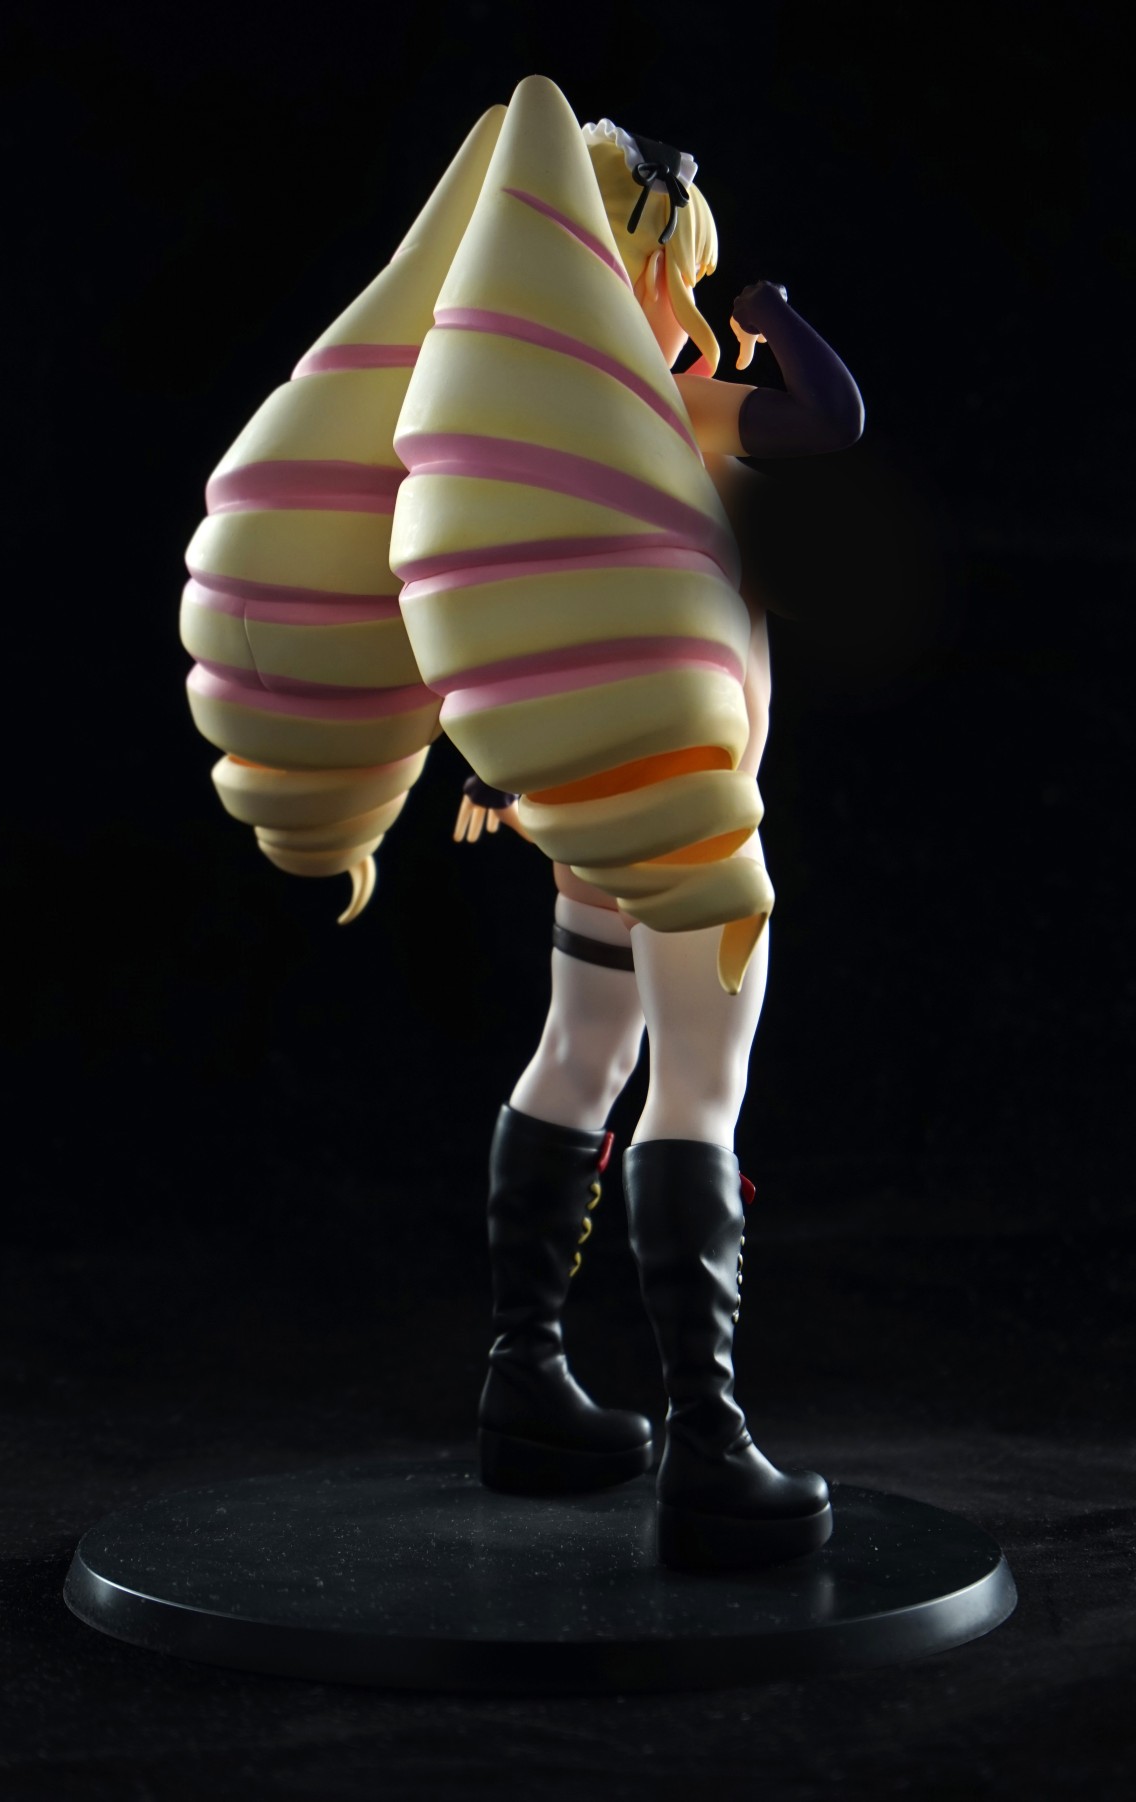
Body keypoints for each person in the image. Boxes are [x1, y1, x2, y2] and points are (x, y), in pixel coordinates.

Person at [181, 77, 862, 1571]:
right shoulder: (677, 407)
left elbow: (501, 599)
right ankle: (709, 1448)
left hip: (582, 810)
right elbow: (835, 416)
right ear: (655, 255)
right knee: (697, 1091)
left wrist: (507, 765)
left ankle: (525, 1384)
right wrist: (770, 308)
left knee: (580, 1050)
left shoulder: (526, 412)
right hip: (686, 823)